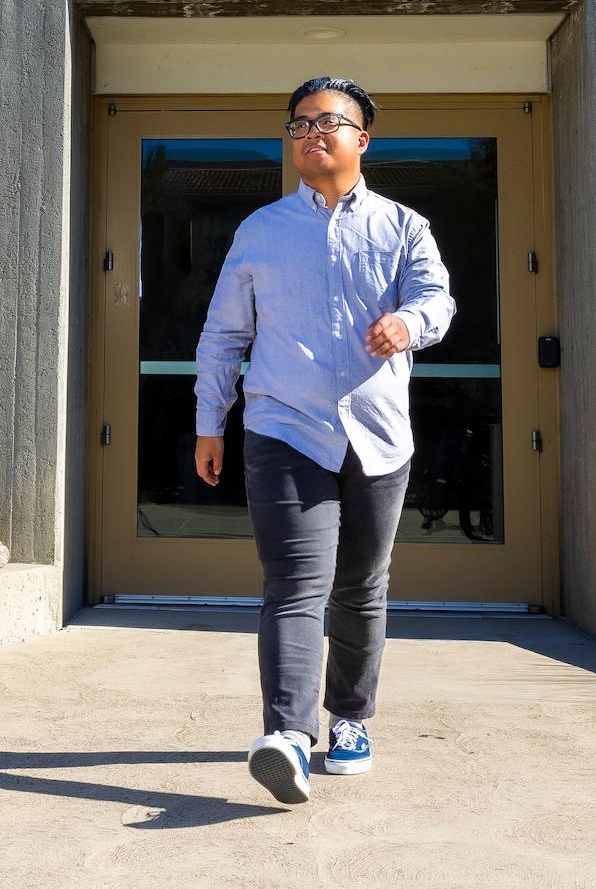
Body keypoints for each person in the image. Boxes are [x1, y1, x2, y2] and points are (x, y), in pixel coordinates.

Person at [192, 76, 456, 805]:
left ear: (361, 139)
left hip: (377, 432)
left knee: (361, 586)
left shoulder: (403, 226)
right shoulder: (261, 229)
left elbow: (437, 299)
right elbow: (224, 333)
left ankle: (350, 719)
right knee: (294, 584)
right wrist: (210, 421)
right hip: (284, 427)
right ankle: (286, 734)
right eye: (299, 124)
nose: (311, 133)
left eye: (328, 122)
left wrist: (408, 323)